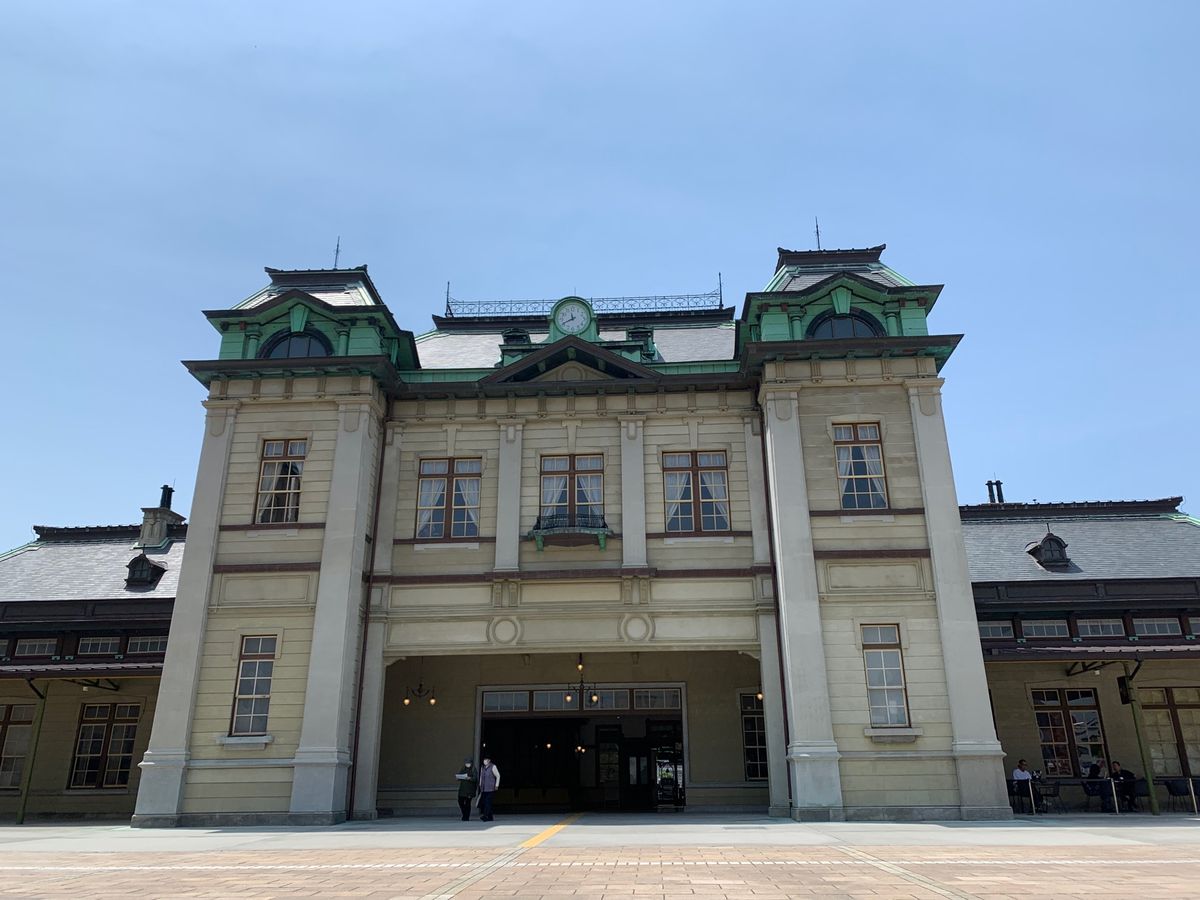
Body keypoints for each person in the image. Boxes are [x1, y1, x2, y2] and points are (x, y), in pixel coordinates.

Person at [477, 757, 500, 822]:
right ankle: (490, 817)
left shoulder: (493, 766)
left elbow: (498, 776)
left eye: (486, 760)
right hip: (483, 788)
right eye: (484, 760)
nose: (484, 761)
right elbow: (481, 776)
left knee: (487, 802)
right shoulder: (482, 767)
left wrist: (496, 785)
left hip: (490, 788)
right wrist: (480, 784)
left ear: (489, 760)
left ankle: (485, 815)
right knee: (485, 803)